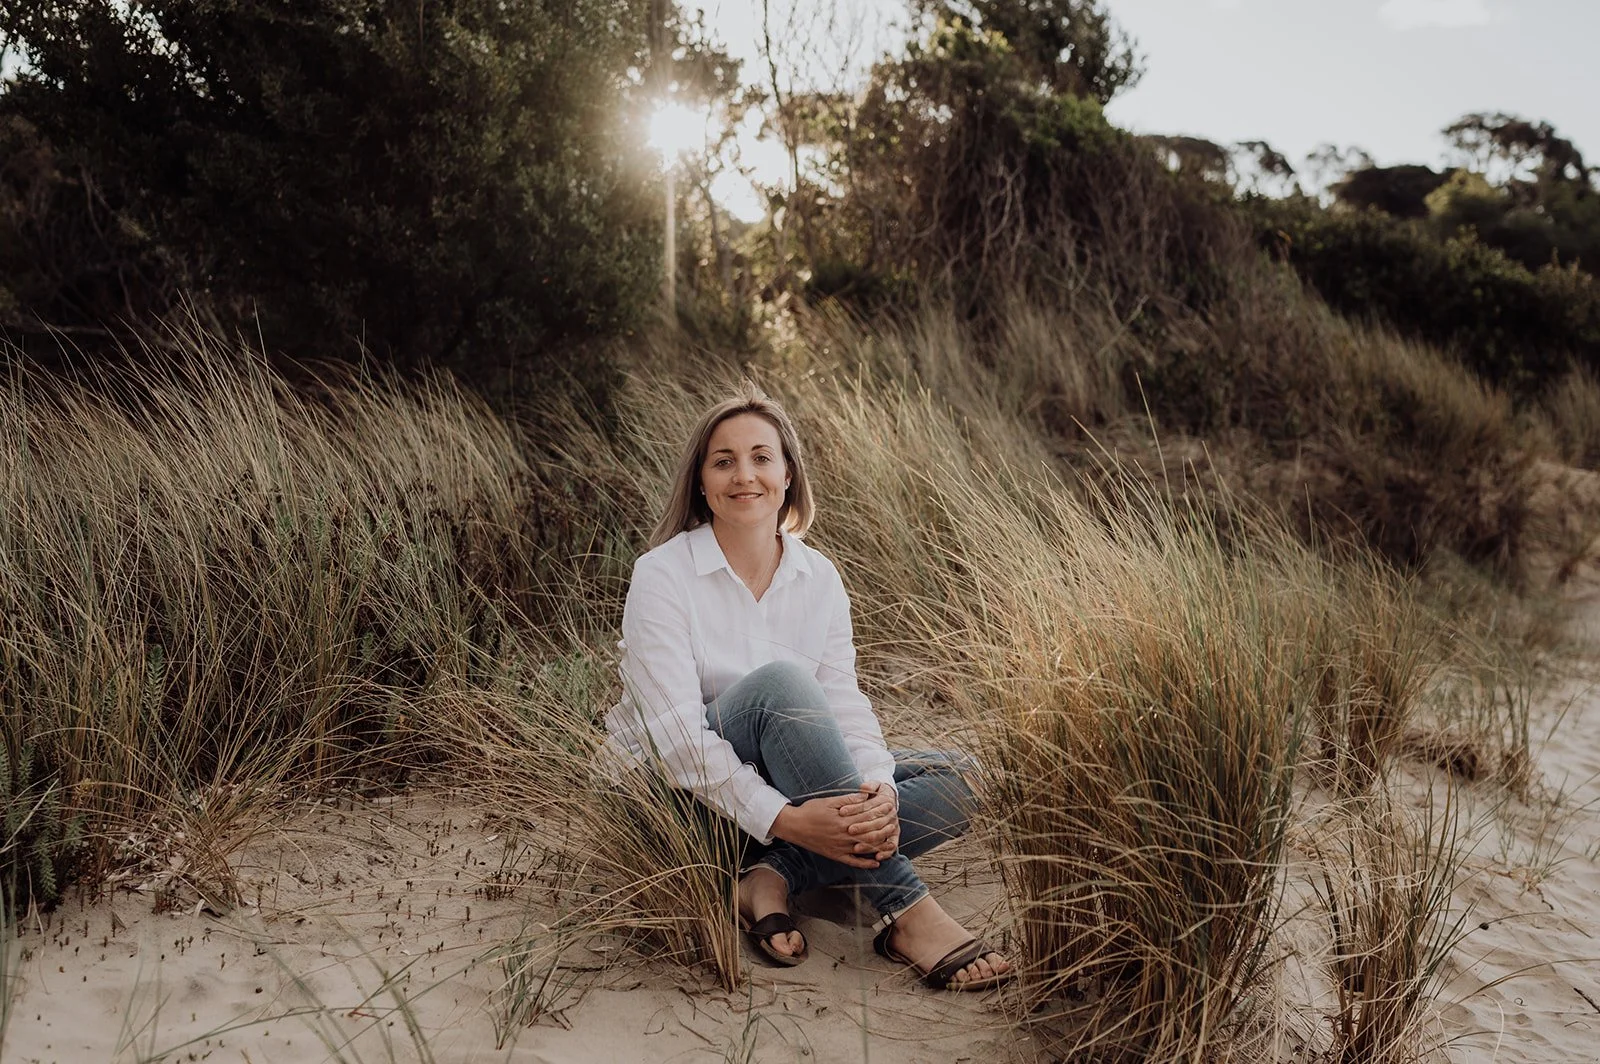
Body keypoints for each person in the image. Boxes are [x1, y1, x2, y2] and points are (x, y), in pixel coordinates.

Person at [602, 383, 1012, 991]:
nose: (745, 475)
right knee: (781, 688)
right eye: (724, 461)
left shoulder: (817, 576)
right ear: (701, 481)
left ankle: (770, 878)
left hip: (781, 795)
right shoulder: (663, 574)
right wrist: (785, 819)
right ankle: (910, 915)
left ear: (788, 474)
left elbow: (843, 700)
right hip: (676, 805)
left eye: (762, 457)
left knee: (966, 780)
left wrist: (875, 790)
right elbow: (675, 739)